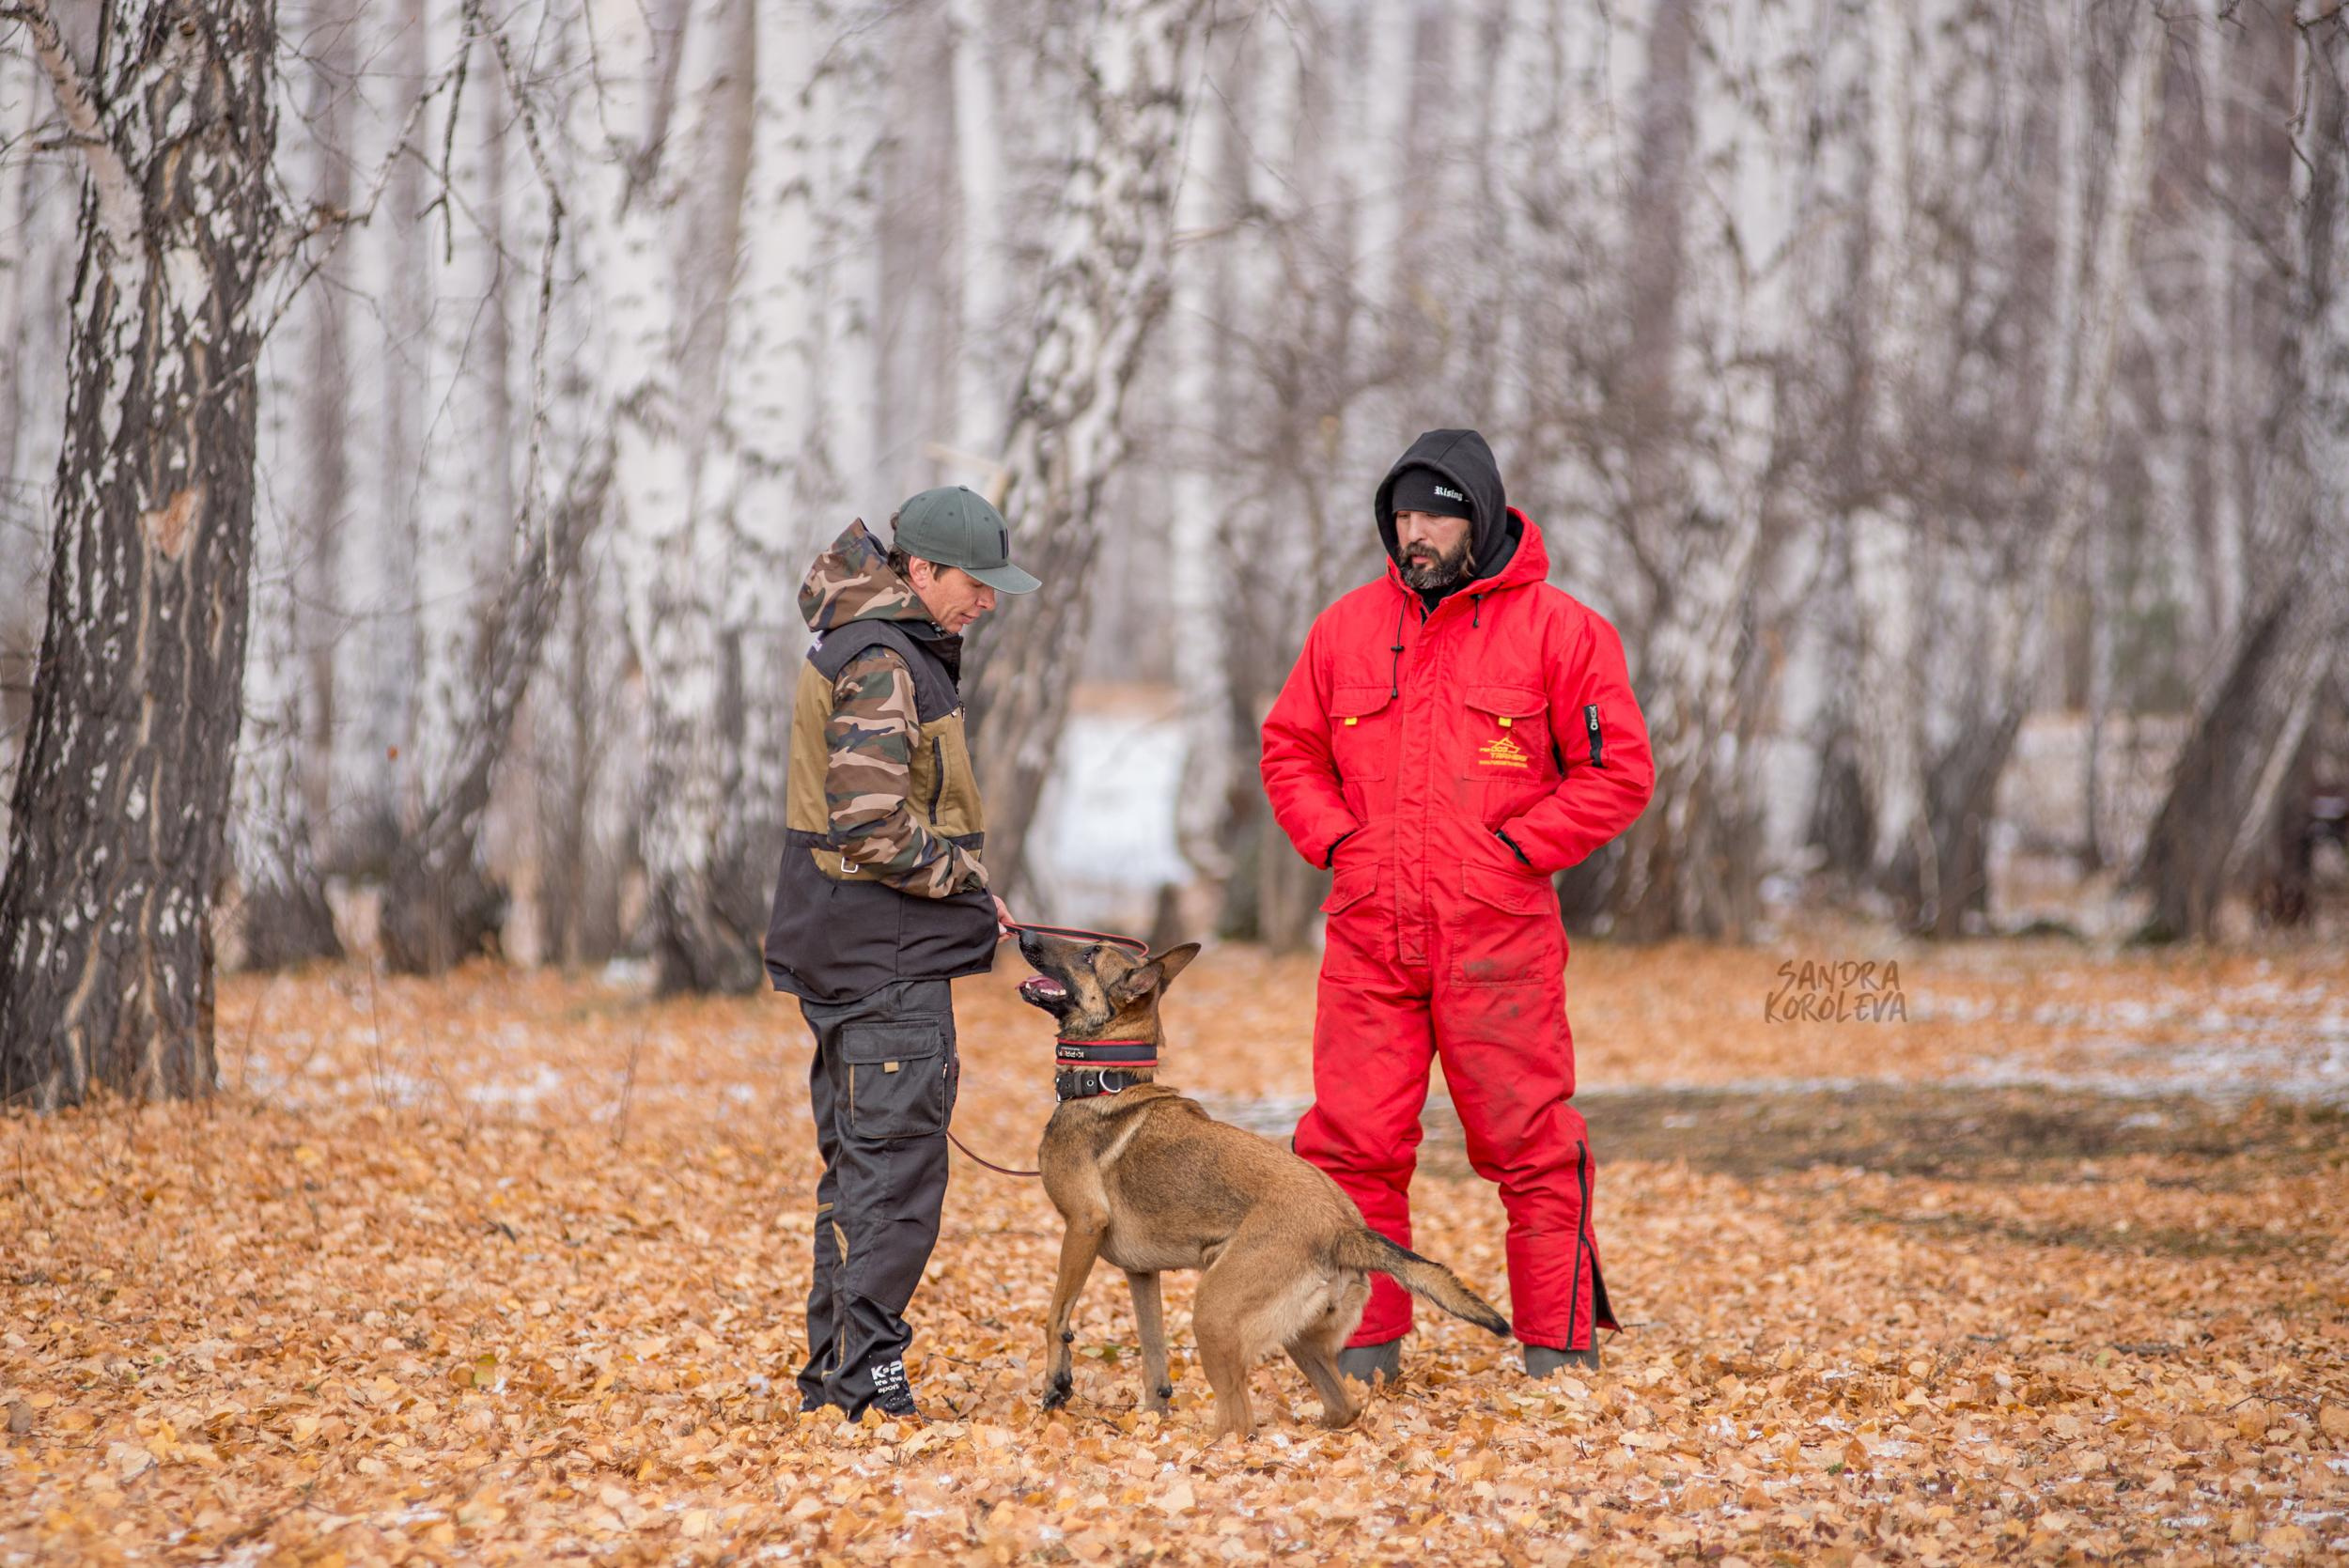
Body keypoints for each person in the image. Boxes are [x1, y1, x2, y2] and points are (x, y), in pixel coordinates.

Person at [1259, 428, 1656, 1382]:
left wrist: (1515, 849)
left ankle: (1557, 1349)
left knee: (1532, 1146)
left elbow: (1619, 772)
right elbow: (1288, 751)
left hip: (1498, 944)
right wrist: (1340, 844)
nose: (1413, 532)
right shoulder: (1347, 627)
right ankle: (1363, 1349)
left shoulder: (1561, 631)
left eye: (1433, 512)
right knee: (1350, 1148)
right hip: (1368, 938)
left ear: (1478, 514)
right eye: (1400, 514)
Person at [764, 485, 1037, 1421]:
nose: (987, 602)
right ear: (920, 571)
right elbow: (873, 829)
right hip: (878, 960)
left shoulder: (870, 644)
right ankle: (865, 1389)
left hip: (849, 949)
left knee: (860, 1171)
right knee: (894, 1182)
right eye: (976, 583)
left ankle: (833, 1375)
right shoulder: (885, 662)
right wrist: (962, 873)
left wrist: (966, 884)